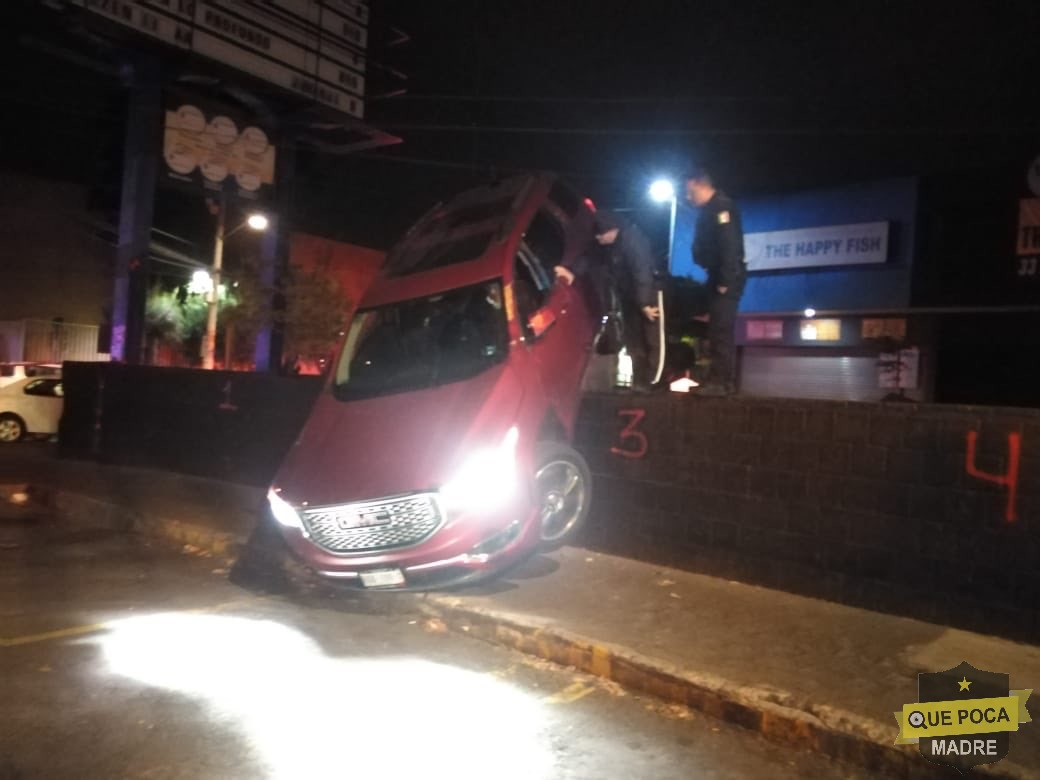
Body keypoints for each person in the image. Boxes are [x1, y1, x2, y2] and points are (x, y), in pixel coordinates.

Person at [557, 210, 661, 391]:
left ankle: (655, 380)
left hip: (649, 291)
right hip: (628, 293)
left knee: (652, 336)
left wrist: (644, 303)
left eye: (600, 235)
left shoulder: (633, 241)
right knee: (632, 338)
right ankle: (640, 380)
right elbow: (589, 258)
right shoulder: (605, 244)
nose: (598, 238)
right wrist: (571, 272)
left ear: (612, 230)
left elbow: (642, 271)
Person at [686, 169, 746, 396]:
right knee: (714, 329)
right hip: (715, 275)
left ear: (699, 184)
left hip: (725, 278)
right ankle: (717, 379)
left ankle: (721, 382)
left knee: (721, 329)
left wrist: (726, 280)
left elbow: (730, 247)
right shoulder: (708, 210)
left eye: (690, 192)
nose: (688, 197)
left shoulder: (722, 207)